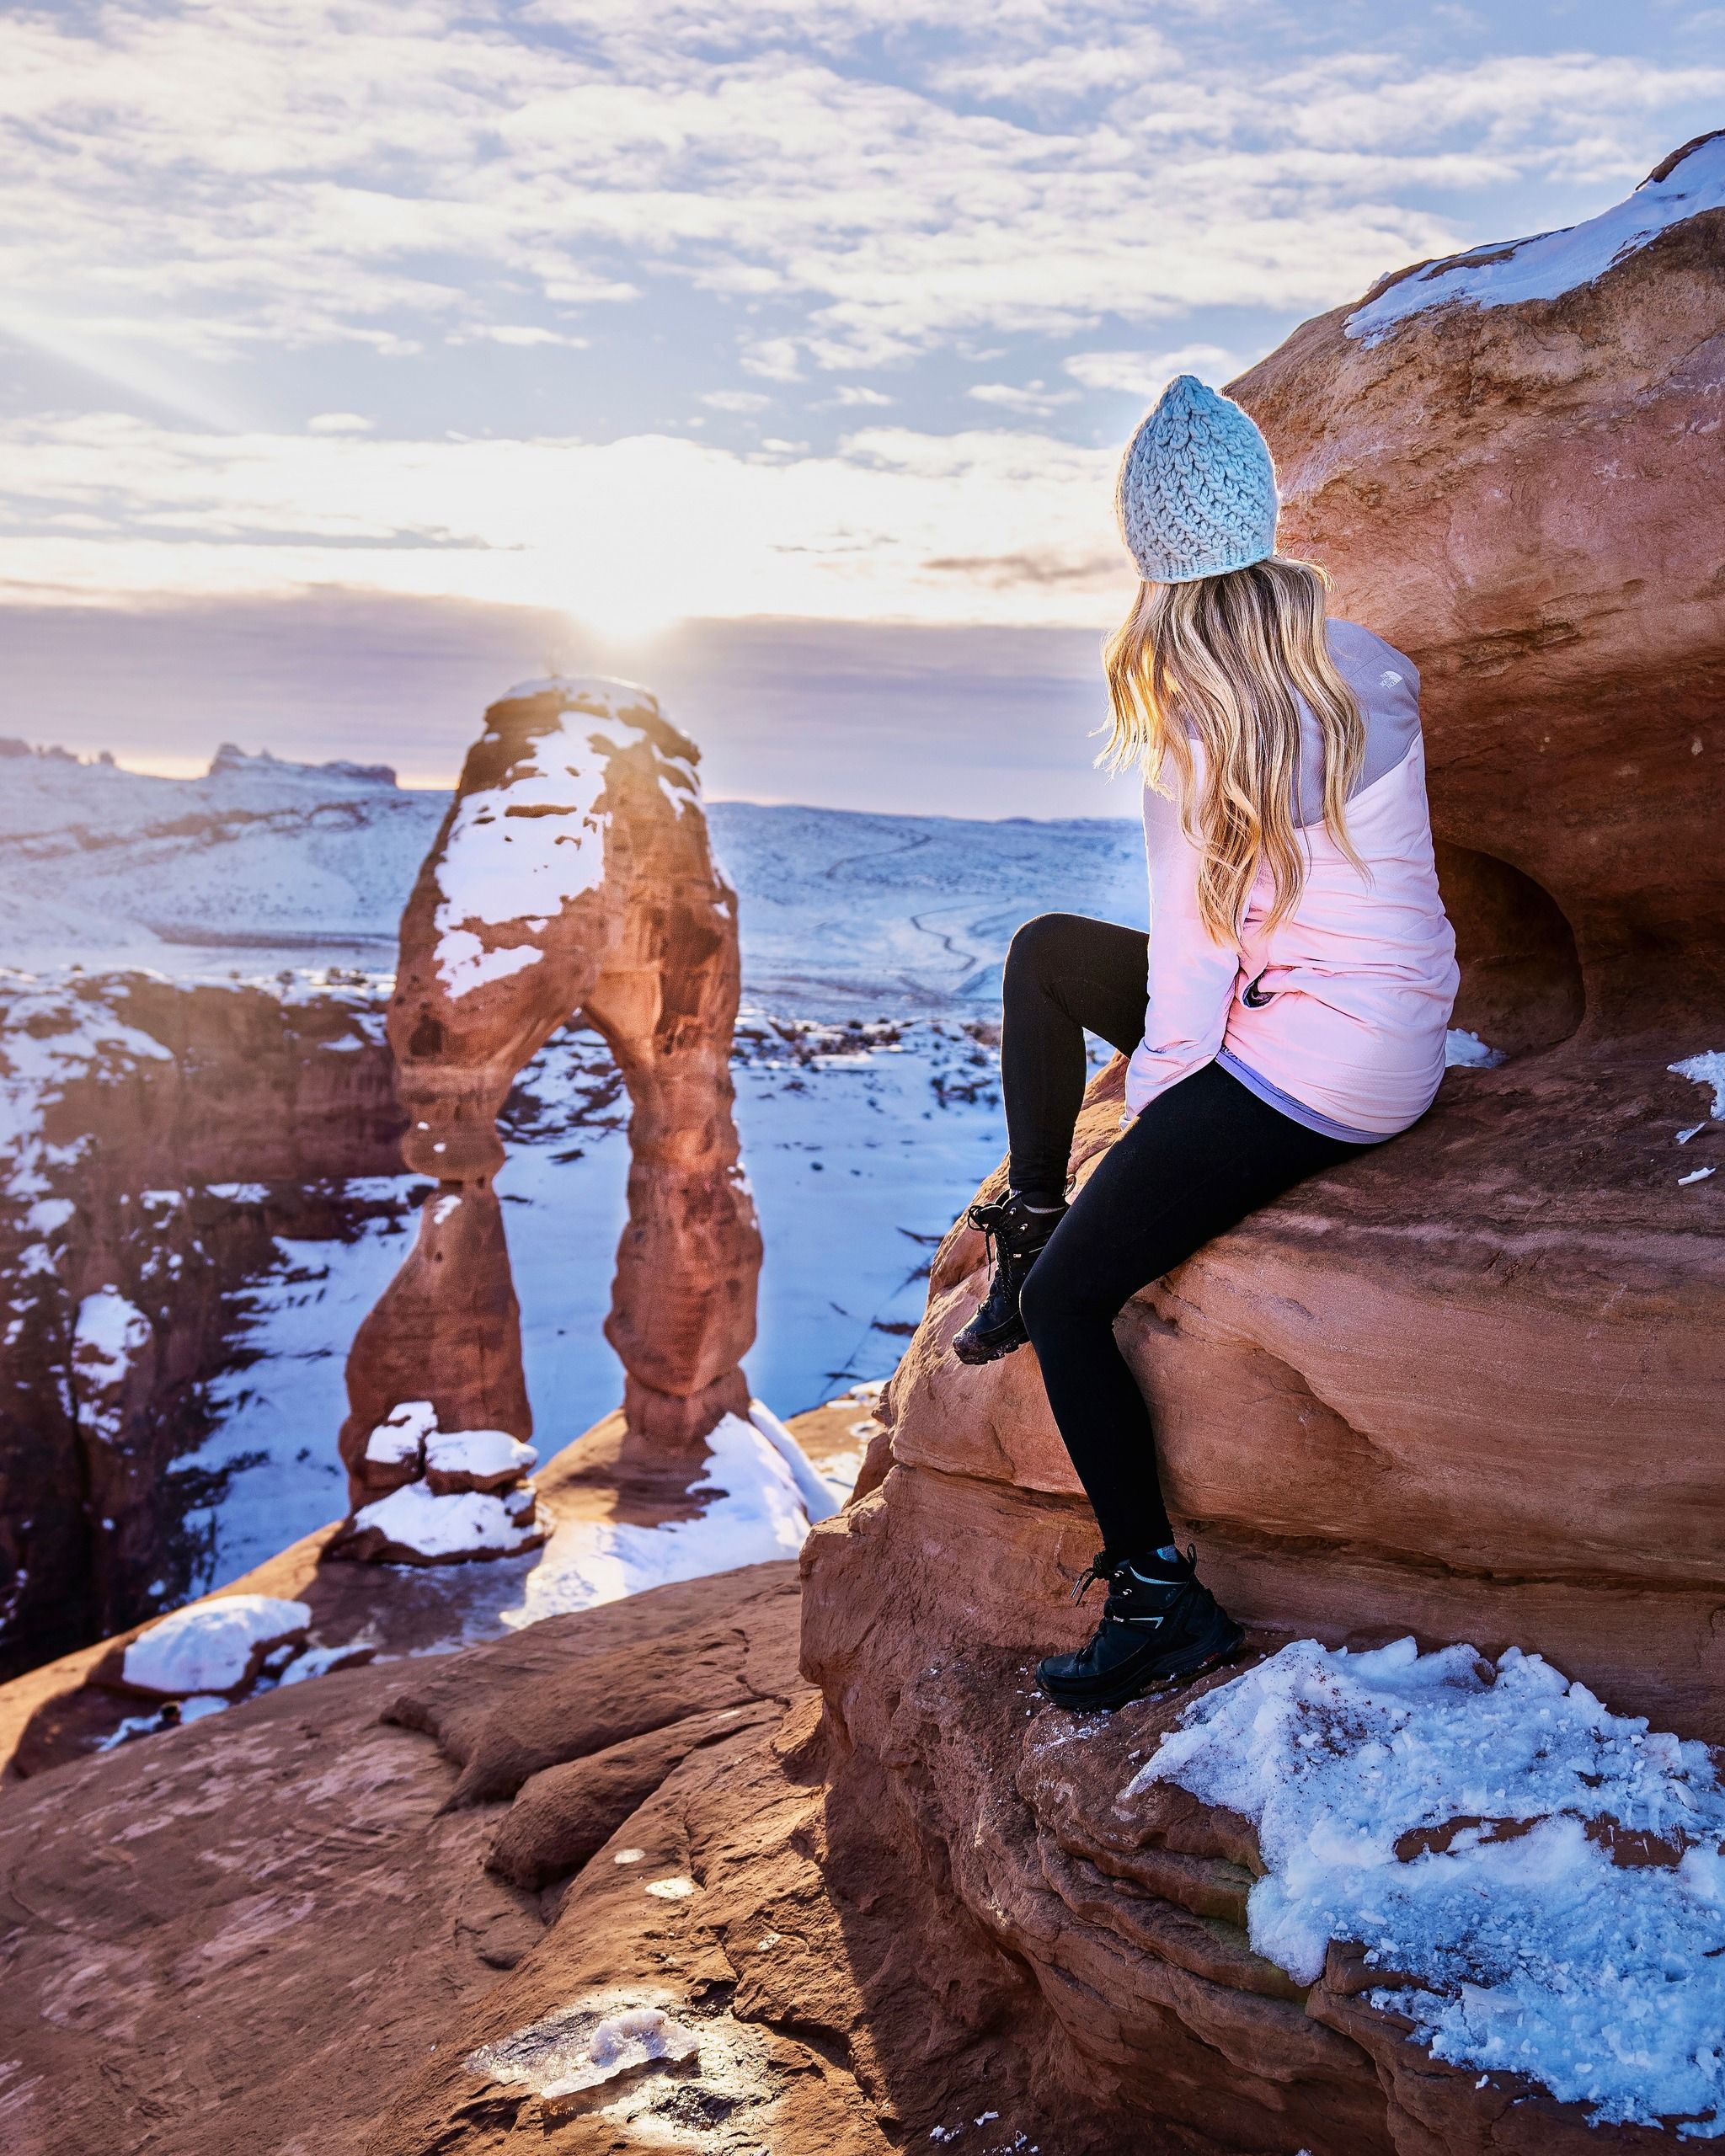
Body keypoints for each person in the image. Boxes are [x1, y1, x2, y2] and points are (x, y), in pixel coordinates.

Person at [953, 375, 1460, 1713]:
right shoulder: (1367, 665)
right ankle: (1032, 1214)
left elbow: (1189, 985)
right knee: (1052, 950)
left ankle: (1157, 1598)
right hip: (1395, 1030)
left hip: (1312, 1063)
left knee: (1069, 1301)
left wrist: (1141, 1146)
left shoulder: (1198, 725)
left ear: (1154, 570)